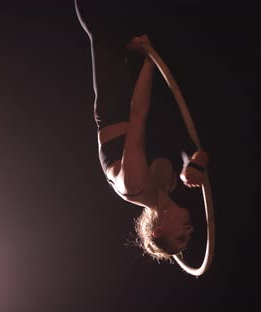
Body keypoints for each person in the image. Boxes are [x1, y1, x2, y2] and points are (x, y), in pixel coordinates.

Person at [75, 0, 209, 261]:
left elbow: (138, 115)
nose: (190, 231)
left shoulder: (134, 186)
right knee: (143, 27)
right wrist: (198, 160)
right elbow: (182, 135)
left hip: (116, 107)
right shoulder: (172, 182)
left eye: (181, 236)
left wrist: (149, 61)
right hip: (142, 105)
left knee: (104, 32)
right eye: (189, 236)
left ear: (159, 229)